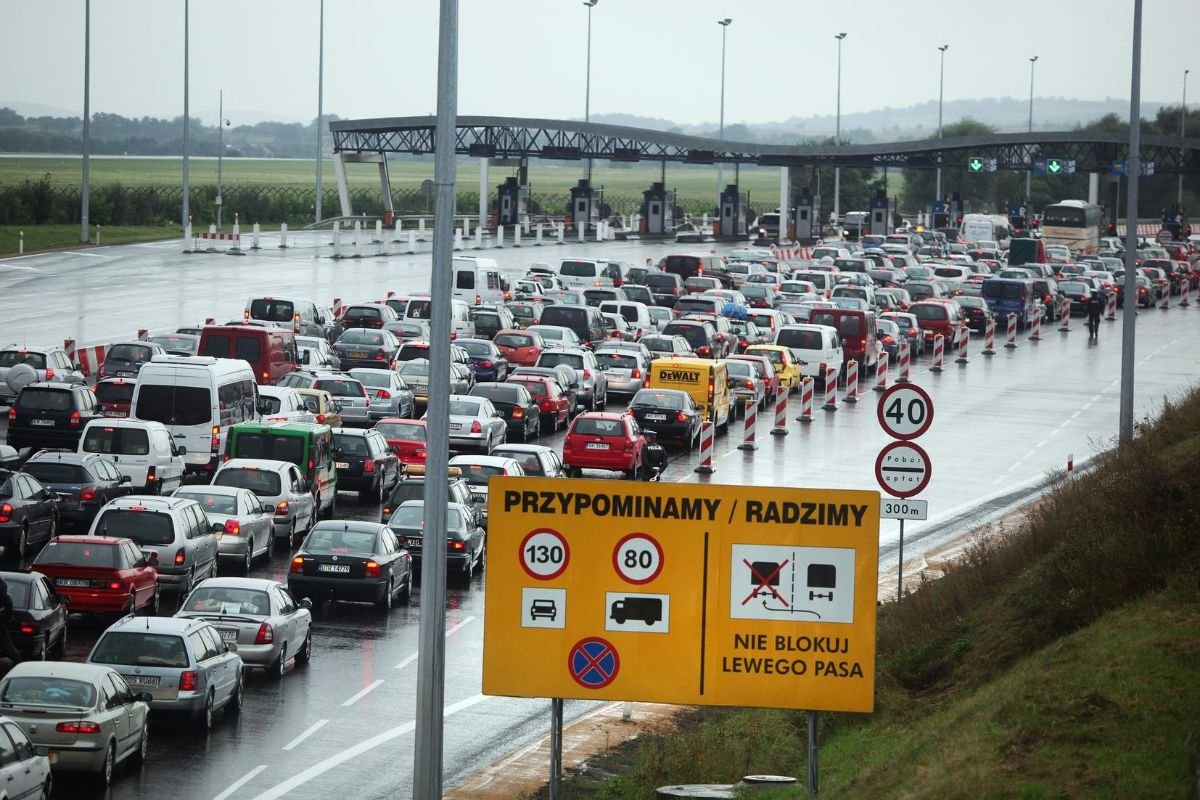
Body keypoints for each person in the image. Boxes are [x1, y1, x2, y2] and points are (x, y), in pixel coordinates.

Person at [0, 578, 22, 666]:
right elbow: (9, 617)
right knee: (14, 654)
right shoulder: (6, 598)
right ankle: (19, 670)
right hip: (1, 628)